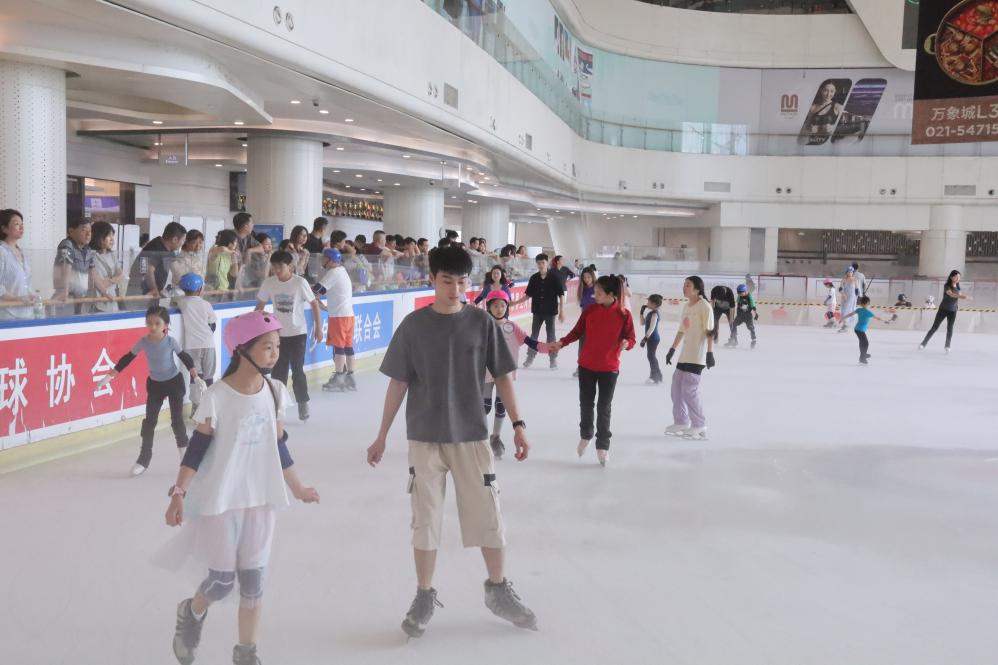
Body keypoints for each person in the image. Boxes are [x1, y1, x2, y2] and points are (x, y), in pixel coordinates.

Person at [366, 245, 538, 638]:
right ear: (432, 279)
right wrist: (381, 435)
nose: (455, 290)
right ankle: (424, 595)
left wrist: (518, 424)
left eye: (462, 282)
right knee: (425, 519)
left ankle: (498, 589)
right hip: (424, 436)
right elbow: (398, 383)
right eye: (447, 281)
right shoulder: (413, 326)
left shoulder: (482, 323)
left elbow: (503, 376)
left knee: (488, 515)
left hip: (471, 435)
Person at [165, 310, 319, 665]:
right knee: (221, 583)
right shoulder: (217, 396)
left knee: (253, 583)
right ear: (241, 350)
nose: (275, 354)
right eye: (267, 347)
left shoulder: (276, 391)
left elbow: (278, 445)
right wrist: (178, 493)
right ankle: (191, 611)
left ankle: (246, 653)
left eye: (277, 346)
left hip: (261, 498)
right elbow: (197, 449)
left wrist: (298, 487)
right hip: (222, 500)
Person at [103, 306, 198, 476]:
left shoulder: (170, 342)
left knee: (177, 421)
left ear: (165, 325)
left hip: (174, 383)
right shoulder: (143, 342)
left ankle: (186, 460)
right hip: (155, 386)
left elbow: (184, 357)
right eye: (149, 322)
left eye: (157, 323)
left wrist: (195, 376)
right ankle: (144, 458)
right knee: (149, 422)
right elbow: (128, 358)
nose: (152, 327)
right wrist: (110, 375)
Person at [551, 275, 636, 466]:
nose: (594, 295)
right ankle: (586, 434)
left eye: (598, 293)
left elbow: (631, 338)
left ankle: (603, 445)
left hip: (609, 367)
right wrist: (561, 343)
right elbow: (577, 331)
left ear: (611, 294)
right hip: (587, 365)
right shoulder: (590, 310)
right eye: (594, 292)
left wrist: (626, 343)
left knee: (604, 407)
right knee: (586, 403)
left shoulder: (624, 315)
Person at [482, 289, 549, 460]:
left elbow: (529, 341)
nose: (499, 309)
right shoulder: (483, 326)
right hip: (486, 373)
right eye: (495, 306)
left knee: (501, 405)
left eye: (502, 305)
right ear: (488, 307)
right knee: (485, 406)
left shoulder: (512, 327)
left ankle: (495, 437)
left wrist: (546, 348)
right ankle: (479, 437)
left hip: (505, 374)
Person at [256, 250, 322, 421]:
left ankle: (302, 401)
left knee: (297, 369)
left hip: (298, 333)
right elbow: (260, 306)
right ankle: (277, 404)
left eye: (280, 266)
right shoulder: (269, 283)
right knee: (278, 371)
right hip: (277, 334)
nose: (277, 270)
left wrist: (318, 328)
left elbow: (314, 304)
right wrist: (255, 327)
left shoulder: (300, 283)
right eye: (274, 266)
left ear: (290, 266)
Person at [663, 276, 715, 441]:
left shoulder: (704, 306)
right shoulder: (686, 306)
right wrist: (672, 349)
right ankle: (681, 422)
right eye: (684, 285)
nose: (684, 287)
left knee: (689, 390)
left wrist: (710, 353)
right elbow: (682, 330)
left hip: (697, 355)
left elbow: (710, 331)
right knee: (676, 389)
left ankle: (699, 424)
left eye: (688, 285)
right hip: (685, 354)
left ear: (697, 289)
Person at [314, 248, 357, 393]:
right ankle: (350, 378)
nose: (322, 260)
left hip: (339, 317)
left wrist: (308, 291)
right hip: (348, 315)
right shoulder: (342, 271)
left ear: (331, 260)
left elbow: (318, 289)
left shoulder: (333, 272)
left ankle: (339, 377)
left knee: (339, 347)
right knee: (347, 346)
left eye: (324, 258)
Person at [175, 272, 217, 417]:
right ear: (200, 289)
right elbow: (212, 325)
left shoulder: (182, 303)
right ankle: (210, 408)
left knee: (196, 377)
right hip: (208, 344)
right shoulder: (206, 304)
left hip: (191, 346)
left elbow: (167, 301)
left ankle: (196, 408)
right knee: (208, 376)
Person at [514, 253, 565, 370]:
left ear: (547, 263)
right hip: (537, 311)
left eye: (543, 263)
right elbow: (528, 295)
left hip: (550, 312)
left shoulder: (554, 277)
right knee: (534, 336)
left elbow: (561, 295)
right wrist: (515, 303)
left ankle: (553, 359)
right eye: (539, 263)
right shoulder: (534, 278)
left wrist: (562, 311)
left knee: (551, 336)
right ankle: (530, 358)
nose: (541, 265)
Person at [127, 221, 186, 308]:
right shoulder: (155, 247)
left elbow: (176, 270)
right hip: (141, 293)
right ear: (175, 240)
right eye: (183, 240)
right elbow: (148, 269)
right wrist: (154, 289)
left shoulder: (169, 251)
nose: (183, 243)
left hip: (152, 294)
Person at [919, 269, 971, 353]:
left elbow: (960, 295)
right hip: (943, 309)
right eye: (956, 277)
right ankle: (923, 343)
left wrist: (966, 297)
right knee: (935, 327)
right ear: (951, 277)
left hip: (953, 311)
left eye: (959, 277)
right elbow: (951, 294)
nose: (958, 278)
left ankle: (947, 345)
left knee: (950, 328)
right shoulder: (947, 285)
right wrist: (962, 296)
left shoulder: (958, 287)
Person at [52, 218, 95, 315]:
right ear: (71, 231)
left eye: (90, 231)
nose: (88, 234)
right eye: (84, 230)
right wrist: (65, 290)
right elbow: (65, 268)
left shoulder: (88, 250)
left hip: (80, 298)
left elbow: (93, 274)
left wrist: (104, 292)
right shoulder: (67, 244)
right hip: (66, 298)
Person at [0, 209, 34, 320]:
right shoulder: (2, 252)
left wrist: (31, 295)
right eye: (17, 224)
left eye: (22, 224)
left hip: (27, 312)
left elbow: (27, 282)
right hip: (7, 313)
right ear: (4, 229)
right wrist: (17, 299)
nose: (21, 227)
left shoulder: (22, 252)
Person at [87, 221, 124, 313]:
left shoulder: (112, 255)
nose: (112, 239)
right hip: (97, 301)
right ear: (98, 237)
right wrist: (114, 280)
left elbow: (121, 275)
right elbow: (96, 283)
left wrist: (109, 280)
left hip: (112, 298)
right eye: (108, 236)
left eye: (112, 236)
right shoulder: (91, 255)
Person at [841, 296, 889, 365]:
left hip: (857, 329)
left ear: (861, 303)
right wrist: (885, 320)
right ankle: (862, 358)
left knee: (862, 342)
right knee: (866, 343)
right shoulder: (868, 312)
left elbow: (850, 314)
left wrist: (843, 318)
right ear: (868, 303)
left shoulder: (859, 310)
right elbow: (878, 318)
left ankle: (863, 355)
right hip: (860, 330)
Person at [572, 267, 598, 378]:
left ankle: (595, 368)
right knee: (582, 346)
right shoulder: (582, 290)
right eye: (584, 277)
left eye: (588, 277)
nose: (586, 279)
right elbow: (583, 308)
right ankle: (581, 368)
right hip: (585, 323)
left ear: (593, 277)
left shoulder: (598, 289)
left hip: (597, 323)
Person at [205, 229, 239, 297]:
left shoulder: (229, 254)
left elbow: (234, 274)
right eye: (235, 241)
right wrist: (233, 252)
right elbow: (223, 249)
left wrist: (234, 259)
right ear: (230, 242)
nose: (236, 244)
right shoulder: (215, 249)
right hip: (212, 291)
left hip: (224, 290)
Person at [640, 294, 664, 385]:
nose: (647, 303)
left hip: (653, 338)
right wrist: (641, 313)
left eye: (648, 302)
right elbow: (642, 323)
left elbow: (652, 328)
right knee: (651, 356)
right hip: (650, 338)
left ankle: (654, 376)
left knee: (651, 356)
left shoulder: (655, 314)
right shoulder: (650, 313)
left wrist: (645, 338)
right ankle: (658, 375)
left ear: (654, 304)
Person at [728, 284, 759, 348]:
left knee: (750, 327)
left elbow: (753, 306)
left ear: (745, 291)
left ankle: (754, 340)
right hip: (740, 315)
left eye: (741, 293)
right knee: (733, 325)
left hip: (748, 316)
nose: (740, 294)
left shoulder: (750, 297)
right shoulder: (739, 296)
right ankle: (734, 339)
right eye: (738, 293)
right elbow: (737, 304)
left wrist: (756, 314)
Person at [838, 266, 858, 334]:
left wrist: (856, 298)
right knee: (843, 310)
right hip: (845, 297)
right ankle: (845, 325)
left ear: (853, 273)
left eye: (851, 272)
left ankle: (845, 325)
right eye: (849, 272)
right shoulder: (843, 280)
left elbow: (857, 290)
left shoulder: (855, 280)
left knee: (847, 310)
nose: (850, 273)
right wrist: (843, 294)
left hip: (852, 297)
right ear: (846, 272)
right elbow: (840, 289)